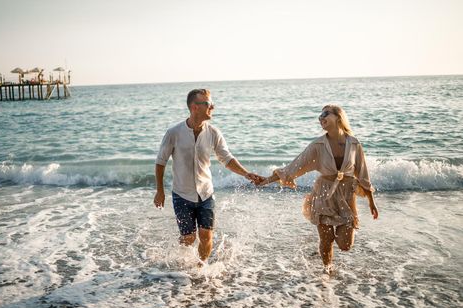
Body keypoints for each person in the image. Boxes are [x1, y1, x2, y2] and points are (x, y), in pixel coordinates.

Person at [259, 105, 378, 269]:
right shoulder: (317, 145)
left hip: (346, 196)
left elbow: (363, 175)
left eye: (325, 114)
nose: (321, 118)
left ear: (338, 117)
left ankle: (325, 252)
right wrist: (266, 180)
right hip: (323, 194)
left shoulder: (354, 144)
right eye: (319, 115)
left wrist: (372, 201)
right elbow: (293, 167)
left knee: (345, 244)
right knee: (326, 240)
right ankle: (326, 273)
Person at [154, 89, 263, 263]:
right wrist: (160, 191)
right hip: (182, 194)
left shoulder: (213, 133)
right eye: (208, 104)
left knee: (206, 235)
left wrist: (246, 173)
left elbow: (226, 158)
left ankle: (201, 268)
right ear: (194, 107)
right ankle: (181, 263)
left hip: (206, 193)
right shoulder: (174, 133)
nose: (213, 106)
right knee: (188, 239)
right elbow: (160, 162)